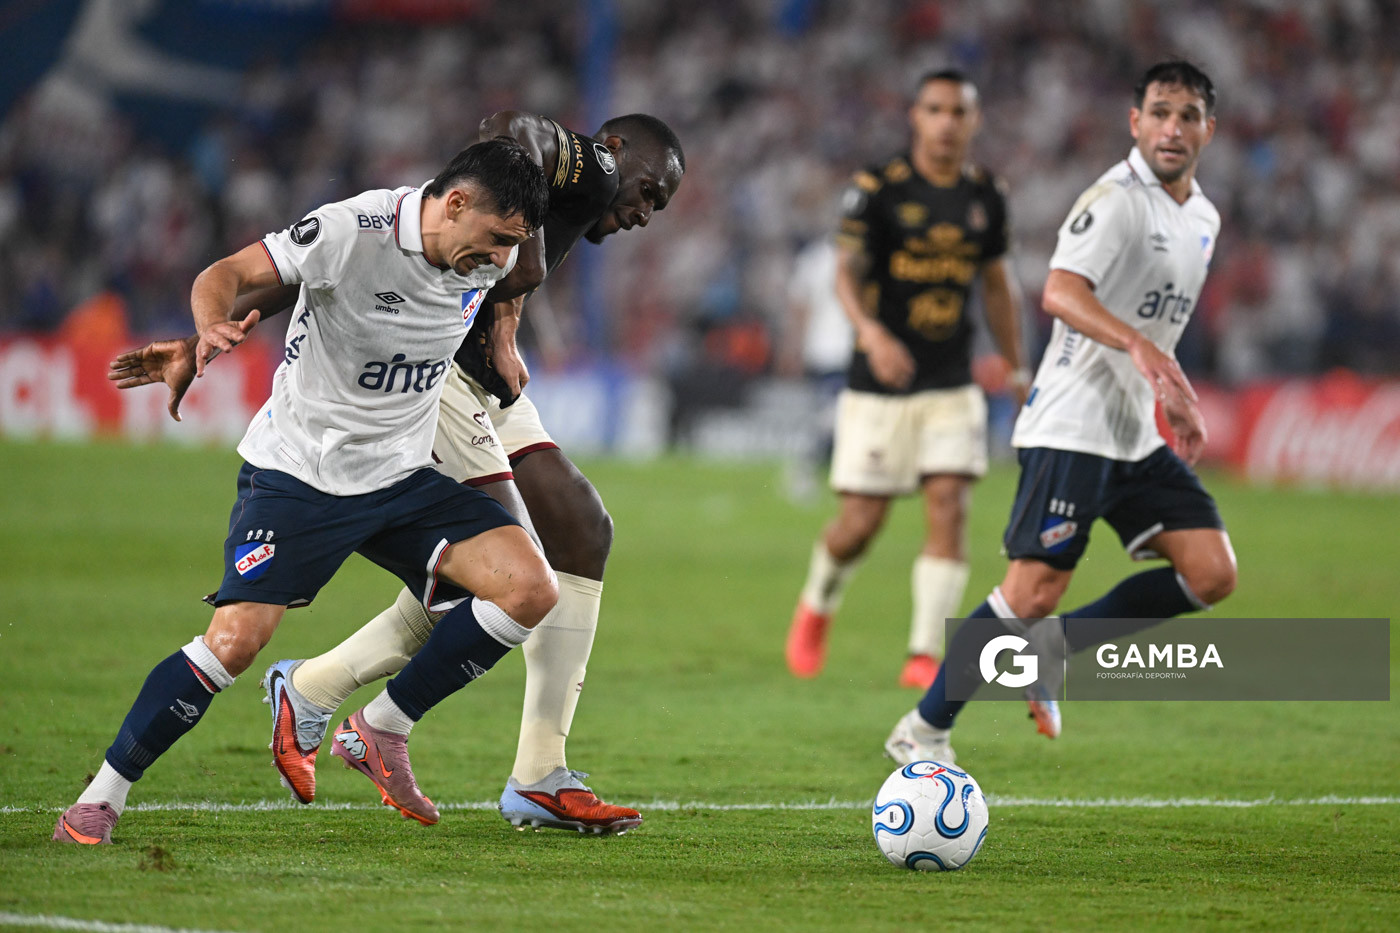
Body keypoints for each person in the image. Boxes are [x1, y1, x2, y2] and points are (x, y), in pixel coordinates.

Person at [108, 112, 685, 835]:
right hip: (428, 386)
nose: (641, 213)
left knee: (577, 532)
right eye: (650, 193)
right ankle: (404, 731)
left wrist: (505, 327)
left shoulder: (523, 225)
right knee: (510, 569)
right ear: (618, 151)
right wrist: (203, 335)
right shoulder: (589, 169)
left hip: (475, 380)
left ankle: (330, 694)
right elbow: (507, 127)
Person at [54, 139, 554, 844]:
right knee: (234, 643)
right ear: (456, 202)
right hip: (300, 476)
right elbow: (226, 272)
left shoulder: (493, 255)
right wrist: (205, 330)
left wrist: (504, 334)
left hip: (402, 477)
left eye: (514, 243)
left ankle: (382, 726)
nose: (502, 255)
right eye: (497, 237)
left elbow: (514, 278)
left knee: (531, 586)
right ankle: (101, 797)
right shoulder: (355, 230)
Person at [886, 60, 1237, 766]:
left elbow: (1156, 327)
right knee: (1033, 589)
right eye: (1160, 112)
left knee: (1211, 572)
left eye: (1188, 115)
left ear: (1209, 128)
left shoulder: (1203, 217)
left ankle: (1050, 654)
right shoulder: (1113, 200)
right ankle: (923, 728)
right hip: (1073, 423)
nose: (1173, 127)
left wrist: (1174, 390)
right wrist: (1138, 346)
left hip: (1134, 430)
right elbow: (1059, 291)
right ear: (1135, 122)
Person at [784, 69, 1028, 690]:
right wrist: (870, 332)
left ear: (973, 122)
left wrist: (1018, 364)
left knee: (949, 506)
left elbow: (997, 285)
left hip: (952, 380)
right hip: (879, 383)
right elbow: (845, 272)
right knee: (859, 524)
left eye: (959, 112)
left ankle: (924, 652)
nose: (947, 122)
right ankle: (818, 601)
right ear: (916, 118)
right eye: (936, 109)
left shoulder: (986, 194)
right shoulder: (878, 189)